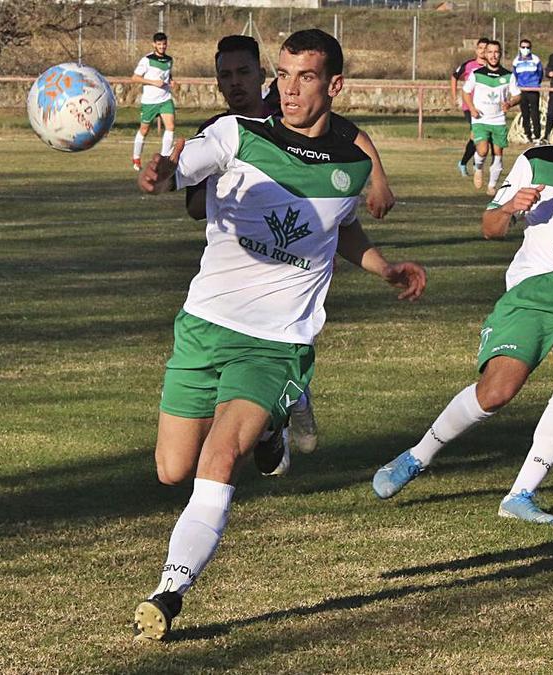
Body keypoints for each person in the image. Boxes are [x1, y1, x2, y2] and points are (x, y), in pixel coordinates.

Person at [133, 29, 427, 641]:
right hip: (205, 325)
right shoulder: (238, 135)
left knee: (217, 460)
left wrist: (382, 266)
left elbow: (340, 229)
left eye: (306, 77)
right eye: (284, 76)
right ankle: (272, 429)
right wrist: (162, 170)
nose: (289, 90)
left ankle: (169, 590)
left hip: (277, 341)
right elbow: (181, 167)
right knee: (170, 469)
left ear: (334, 86)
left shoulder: (349, 162)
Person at [371, 67, 553, 526]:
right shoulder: (537, 160)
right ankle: (417, 456)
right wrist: (508, 207)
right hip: (534, 292)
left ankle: (521, 494)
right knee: (497, 392)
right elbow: (489, 228)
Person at [183, 35, 398, 454]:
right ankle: (278, 410)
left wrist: (378, 178)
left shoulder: (288, 114)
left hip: (297, 264)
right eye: (224, 76)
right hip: (243, 260)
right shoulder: (221, 131)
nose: (235, 83)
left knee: (278, 341)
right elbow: (194, 207)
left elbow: (350, 133)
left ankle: (286, 400)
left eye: (244, 72)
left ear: (261, 76)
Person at [462, 40, 522, 196]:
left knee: (498, 153)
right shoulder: (477, 74)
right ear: (485, 54)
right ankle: (479, 168)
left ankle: (492, 185)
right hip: (480, 119)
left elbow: (517, 95)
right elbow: (466, 92)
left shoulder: (508, 76)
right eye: (490, 52)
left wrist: (510, 103)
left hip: (498, 120)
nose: (493, 55)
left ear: (500, 54)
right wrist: (472, 108)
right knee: (482, 150)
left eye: (496, 52)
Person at [131, 32, 176, 172]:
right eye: (159, 44)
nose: (162, 46)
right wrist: (153, 82)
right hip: (150, 101)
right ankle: (136, 158)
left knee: (170, 127)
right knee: (144, 130)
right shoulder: (146, 60)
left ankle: (163, 160)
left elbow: (167, 75)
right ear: (154, 44)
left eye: (164, 44)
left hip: (165, 99)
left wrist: (171, 81)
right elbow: (135, 78)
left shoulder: (169, 60)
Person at [451, 38, 490, 177]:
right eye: (480, 48)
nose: (483, 51)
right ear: (476, 50)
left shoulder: (491, 67)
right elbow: (454, 76)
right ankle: (466, 163)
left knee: (482, 137)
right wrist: (454, 95)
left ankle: (472, 163)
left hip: (486, 108)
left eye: (486, 48)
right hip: (470, 106)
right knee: (476, 134)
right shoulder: (468, 65)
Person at [511, 39, 545, 144]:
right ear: (520, 48)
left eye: (527, 47)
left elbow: (540, 73)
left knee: (535, 113)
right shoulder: (516, 61)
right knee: (524, 113)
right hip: (522, 90)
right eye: (523, 47)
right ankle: (527, 135)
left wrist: (535, 84)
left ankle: (537, 135)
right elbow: (515, 75)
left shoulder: (535, 59)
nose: (525, 49)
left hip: (533, 89)